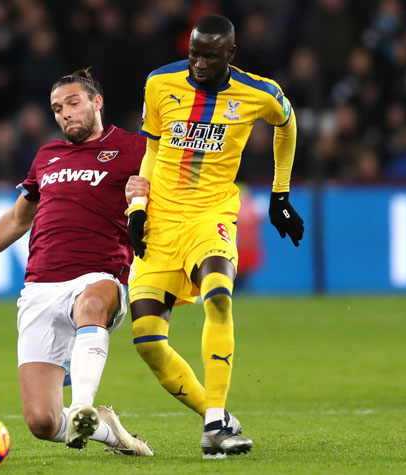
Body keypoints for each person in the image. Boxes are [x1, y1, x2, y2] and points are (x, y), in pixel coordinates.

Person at [0, 69, 152, 456]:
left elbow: (174, 194)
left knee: (92, 304)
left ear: (97, 102)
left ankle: (81, 403)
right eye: (57, 108)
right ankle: (106, 430)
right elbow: (17, 219)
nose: (65, 114)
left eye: (73, 103)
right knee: (42, 422)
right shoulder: (47, 156)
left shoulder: (134, 149)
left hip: (100, 273)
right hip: (40, 288)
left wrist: (145, 192)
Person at [125, 14, 304, 458]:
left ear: (230, 53)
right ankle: (218, 418)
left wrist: (280, 194)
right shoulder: (159, 83)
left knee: (219, 295)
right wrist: (138, 207)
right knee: (147, 339)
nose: (198, 64)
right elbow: (151, 148)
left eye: (208, 55)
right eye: (193, 54)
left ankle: (212, 427)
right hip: (162, 220)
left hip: (211, 214)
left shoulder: (259, 92)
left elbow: (288, 123)